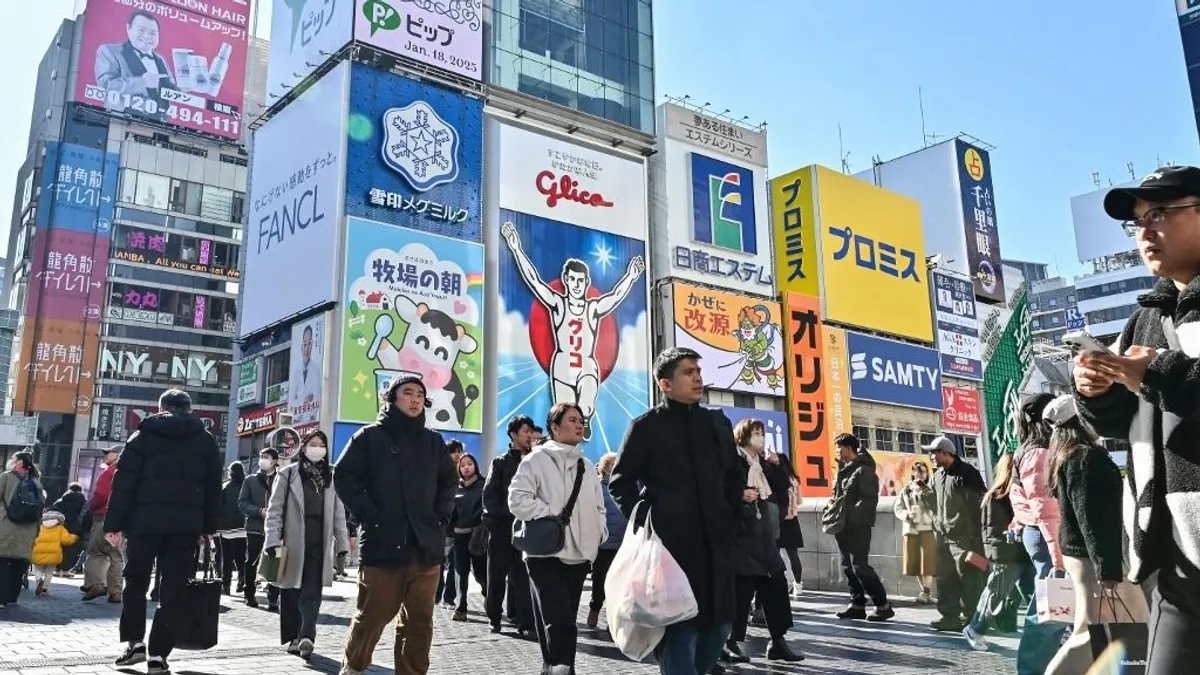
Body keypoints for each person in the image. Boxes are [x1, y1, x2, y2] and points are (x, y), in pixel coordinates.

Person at [1073, 166, 1200, 674]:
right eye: (1139, 221)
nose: (1146, 231)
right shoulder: (1145, 316)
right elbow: (1120, 421)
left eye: (1162, 214)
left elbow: (1163, 381)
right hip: (1176, 562)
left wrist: (1157, 371)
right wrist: (1097, 390)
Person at [610, 348, 743, 675]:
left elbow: (734, 477)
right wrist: (650, 521)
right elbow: (620, 481)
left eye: (698, 370)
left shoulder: (717, 423)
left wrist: (731, 518)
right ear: (665, 384)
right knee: (679, 632)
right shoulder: (646, 427)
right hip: (673, 552)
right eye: (688, 372)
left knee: (719, 629)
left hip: (717, 548)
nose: (697, 377)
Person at [335, 375, 458, 675]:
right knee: (373, 615)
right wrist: (371, 514)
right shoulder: (368, 437)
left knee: (419, 623)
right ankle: (353, 666)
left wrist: (440, 518)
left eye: (420, 394)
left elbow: (448, 481)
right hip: (384, 545)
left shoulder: (433, 441)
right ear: (391, 398)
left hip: (425, 547)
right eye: (408, 393)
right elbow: (345, 477)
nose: (415, 399)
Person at [105, 389, 222, 674]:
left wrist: (113, 525)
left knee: (135, 581)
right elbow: (212, 488)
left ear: (160, 408)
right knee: (174, 589)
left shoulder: (142, 436)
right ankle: (158, 655)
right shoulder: (206, 441)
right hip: (185, 526)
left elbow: (124, 484)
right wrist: (207, 527)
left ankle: (135, 644)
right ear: (189, 410)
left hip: (144, 524)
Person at [501, 222, 646, 440]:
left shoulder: (593, 307)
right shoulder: (558, 304)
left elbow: (615, 296)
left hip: (586, 365)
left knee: (585, 407)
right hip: (561, 366)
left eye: (581, 280)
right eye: (573, 280)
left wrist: (631, 277)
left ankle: (586, 421)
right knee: (562, 414)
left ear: (587, 283)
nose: (577, 284)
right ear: (566, 280)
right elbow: (534, 281)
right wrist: (516, 249)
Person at [1041, 396, 1150, 674]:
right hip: (1096, 558)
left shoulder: (1069, 455)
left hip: (1083, 556)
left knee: (1091, 628)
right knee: (1102, 630)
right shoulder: (1085, 457)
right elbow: (1092, 516)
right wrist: (1108, 569)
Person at [509, 402, 608, 675]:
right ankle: (564, 669)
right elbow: (517, 500)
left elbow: (599, 507)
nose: (579, 424)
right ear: (554, 427)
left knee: (553, 621)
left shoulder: (587, 466)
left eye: (581, 420)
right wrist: (552, 515)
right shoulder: (536, 460)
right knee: (559, 620)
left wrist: (599, 530)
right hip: (545, 553)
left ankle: (553, 668)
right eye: (572, 420)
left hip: (579, 553)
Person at [263, 430, 350, 661]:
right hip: (292, 541)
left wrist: (343, 545)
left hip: (319, 541)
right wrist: (272, 540)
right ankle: (293, 637)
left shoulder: (331, 476)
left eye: (322, 445)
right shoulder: (288, 474)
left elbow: (339, 514)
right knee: (291, 590)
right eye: (313, 443)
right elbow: (274, 511)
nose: (317, 448)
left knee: (312, 591)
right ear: (304, 447)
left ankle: (307, 635)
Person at [724, 419, 803, 664]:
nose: (760, 437)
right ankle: (730, 642)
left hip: (764, 535)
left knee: (777, 585)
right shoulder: (731, 461)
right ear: (743, 435)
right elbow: (718, 489)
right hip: (741, 535)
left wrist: (779, 467)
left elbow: (784, 490)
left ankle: (778, 641)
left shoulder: (765, 465)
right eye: (756, 433)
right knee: (741, 590)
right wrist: (739, 495)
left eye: (762, 433)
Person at [1010, 393, 1068, 674]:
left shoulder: (1028, 449)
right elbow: (1045, 506)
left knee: (1055, 609)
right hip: (1049, 537)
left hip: (1043, 534)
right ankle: (1032, 669)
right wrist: (1057, 554)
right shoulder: (1039, 451)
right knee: (1049, 611)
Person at [826, 433, 893, 621]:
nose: (837, 451)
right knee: (847, 566)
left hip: (857, 526)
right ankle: (857, 604)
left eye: (839, 447)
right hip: (842, 525)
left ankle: (883, 605)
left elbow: (868, 500)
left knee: (860, 566)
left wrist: (851, 518)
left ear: (848, 448)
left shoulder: (864, 470)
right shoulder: (844, 469)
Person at [963, 454, 1028, 650]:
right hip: (1009, 555)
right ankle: (975, 628)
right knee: (995, 594)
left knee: (1032, 594)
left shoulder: (1018, 492)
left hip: (1023, 553)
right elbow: (991, 531)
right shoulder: (997, 496)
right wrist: (1000, 555)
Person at [925, 435, 987, 633]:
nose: (931, 456)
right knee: (945, 577)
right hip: (942, 535)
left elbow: (979, 505)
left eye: (934, 452)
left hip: (965, 538)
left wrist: (973, 535)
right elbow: (933, 503)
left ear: (946, 452)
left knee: (969, 578)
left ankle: (971, 617)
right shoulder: (937, 475)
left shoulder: (968, 473)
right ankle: (949, 616)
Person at [483, 415, 538, 636]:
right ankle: (494, 618)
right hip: (502, 530)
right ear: (513, 435)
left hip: (527, 531)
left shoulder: (535, 461)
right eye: (525, 431)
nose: (529, 436)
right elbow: (489, 497)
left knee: (524, 579)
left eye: (530, 432)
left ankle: (526, 623)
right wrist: (498, 521)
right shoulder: (500, 462)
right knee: (496, 577)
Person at [93, 10, 175, 121]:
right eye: (141, 30)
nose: (147, 36)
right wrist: (142, 82)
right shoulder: (109, 51)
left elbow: (169, 90)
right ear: (128, 29)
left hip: (160, 124)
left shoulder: (160, 59)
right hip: (121, 120)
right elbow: (107, 85)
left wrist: (184, 89)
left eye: (152, 33)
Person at [586, 452, 628, 630]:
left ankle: (614, 620)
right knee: (599, 580)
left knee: (619, 584)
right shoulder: (597, 487)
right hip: (604, 545)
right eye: (611, 465)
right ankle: (594, 609)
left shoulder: (628, 485)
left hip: (624, 545)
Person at [0, 452, 46, 606]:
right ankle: (13, 597)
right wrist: (37, 530)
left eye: (13, 459)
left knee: (2, 562)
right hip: (28, 530)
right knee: (19, 565)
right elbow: (40, 508)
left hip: (6, 526)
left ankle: (2, 598)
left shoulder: (6, 477)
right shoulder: (36, 482)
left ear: (19, 462)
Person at [240, 448, 280, 610]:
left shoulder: (281, 479)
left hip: (276, 529)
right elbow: (242, 503)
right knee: (251, 562)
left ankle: (273, 598)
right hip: (255, 528)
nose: (262, 460)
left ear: (275, 460)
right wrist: (259, 511)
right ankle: (249, 594)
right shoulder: (250, 480)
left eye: (266, 457)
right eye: (261, 457)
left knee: (274, 562)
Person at [450, 453, 487, 621]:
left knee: (480, 572)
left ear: (475, 466)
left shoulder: (483, 485)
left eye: (469, 463)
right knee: (461, 572)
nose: (466, 467)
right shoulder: (455, 487)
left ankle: (488, 595)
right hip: (459, 537)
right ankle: (461, 607)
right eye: (463, 464)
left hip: (478, 537)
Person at [894, 462, 938, 604]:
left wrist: (922, 490)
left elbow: (935, 505)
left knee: (927, 563)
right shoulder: (906, 490)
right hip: (911, 529)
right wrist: (907, 515)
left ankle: (927, 592)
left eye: (923, 472)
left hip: (927, 528)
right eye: (918, 472)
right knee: (915, 563)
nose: (920, 475)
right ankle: (926, 593)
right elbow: (898, 508)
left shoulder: (930, 489)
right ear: (913, 473)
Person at [83, 446, 123, 602]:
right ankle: (116, 592)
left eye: (108, 453)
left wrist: (90, 506)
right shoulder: (130, 474)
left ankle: (96, 585)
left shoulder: (108, 473)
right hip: (120, 519)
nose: (105, 456)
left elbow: (101, 496)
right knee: (116, 556)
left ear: (117, 455)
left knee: (95, 552)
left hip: (102, 517)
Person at [763, 450, 804, 598]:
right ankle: (798, 585)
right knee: (794, 555)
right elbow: (799, 501)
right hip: (793, 520)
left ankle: (783, 582)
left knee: (776, 554)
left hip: (778, 520)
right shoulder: (794, 479)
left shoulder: (775, 479)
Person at [437, 440, 466, 608]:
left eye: (459, 451)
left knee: (455, 564)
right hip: (442, 526)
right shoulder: (439, 473)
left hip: (459, 527)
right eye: (453, 451)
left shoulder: (465, 474)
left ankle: (449, 597)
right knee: (438, 563)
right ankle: (436, 595)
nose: (457, 455)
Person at [216, 462, 247, 596]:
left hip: (226, 528)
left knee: (227, 558)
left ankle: (226, 585)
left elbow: (218, 506)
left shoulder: (224, 487)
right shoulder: (246, 485)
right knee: (241, 557)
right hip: (243, 527)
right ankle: (242, 580)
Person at [31, 510, 78, 596]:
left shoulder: (39, 526)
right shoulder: (60, 528)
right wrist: (75, 537)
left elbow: (32, 536)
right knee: (49, 572)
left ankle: (39, 579)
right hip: (54, 554)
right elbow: (66, 540)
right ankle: (45, 589)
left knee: (38, 569)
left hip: (38, 552)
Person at [50, 483, 90, 576]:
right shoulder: (84, 502)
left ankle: (57, 569)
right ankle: (65, 570)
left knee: (60, 548)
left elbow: (52, 512)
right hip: (76, 529)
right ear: (80, 490)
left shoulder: (60, 501)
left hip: (61, 527)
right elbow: (86, 515)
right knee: (71, 550)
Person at [289, 323, 322, 426]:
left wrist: (301, 402)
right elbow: (291, 401)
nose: (306, 348)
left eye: (309, 344)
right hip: (296, 422)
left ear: (312, 345)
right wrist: (304, 400)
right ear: (301, 346)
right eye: (304, 344)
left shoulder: (316, 369)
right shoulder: (295, 373)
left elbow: (316, 397)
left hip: (312, 422)